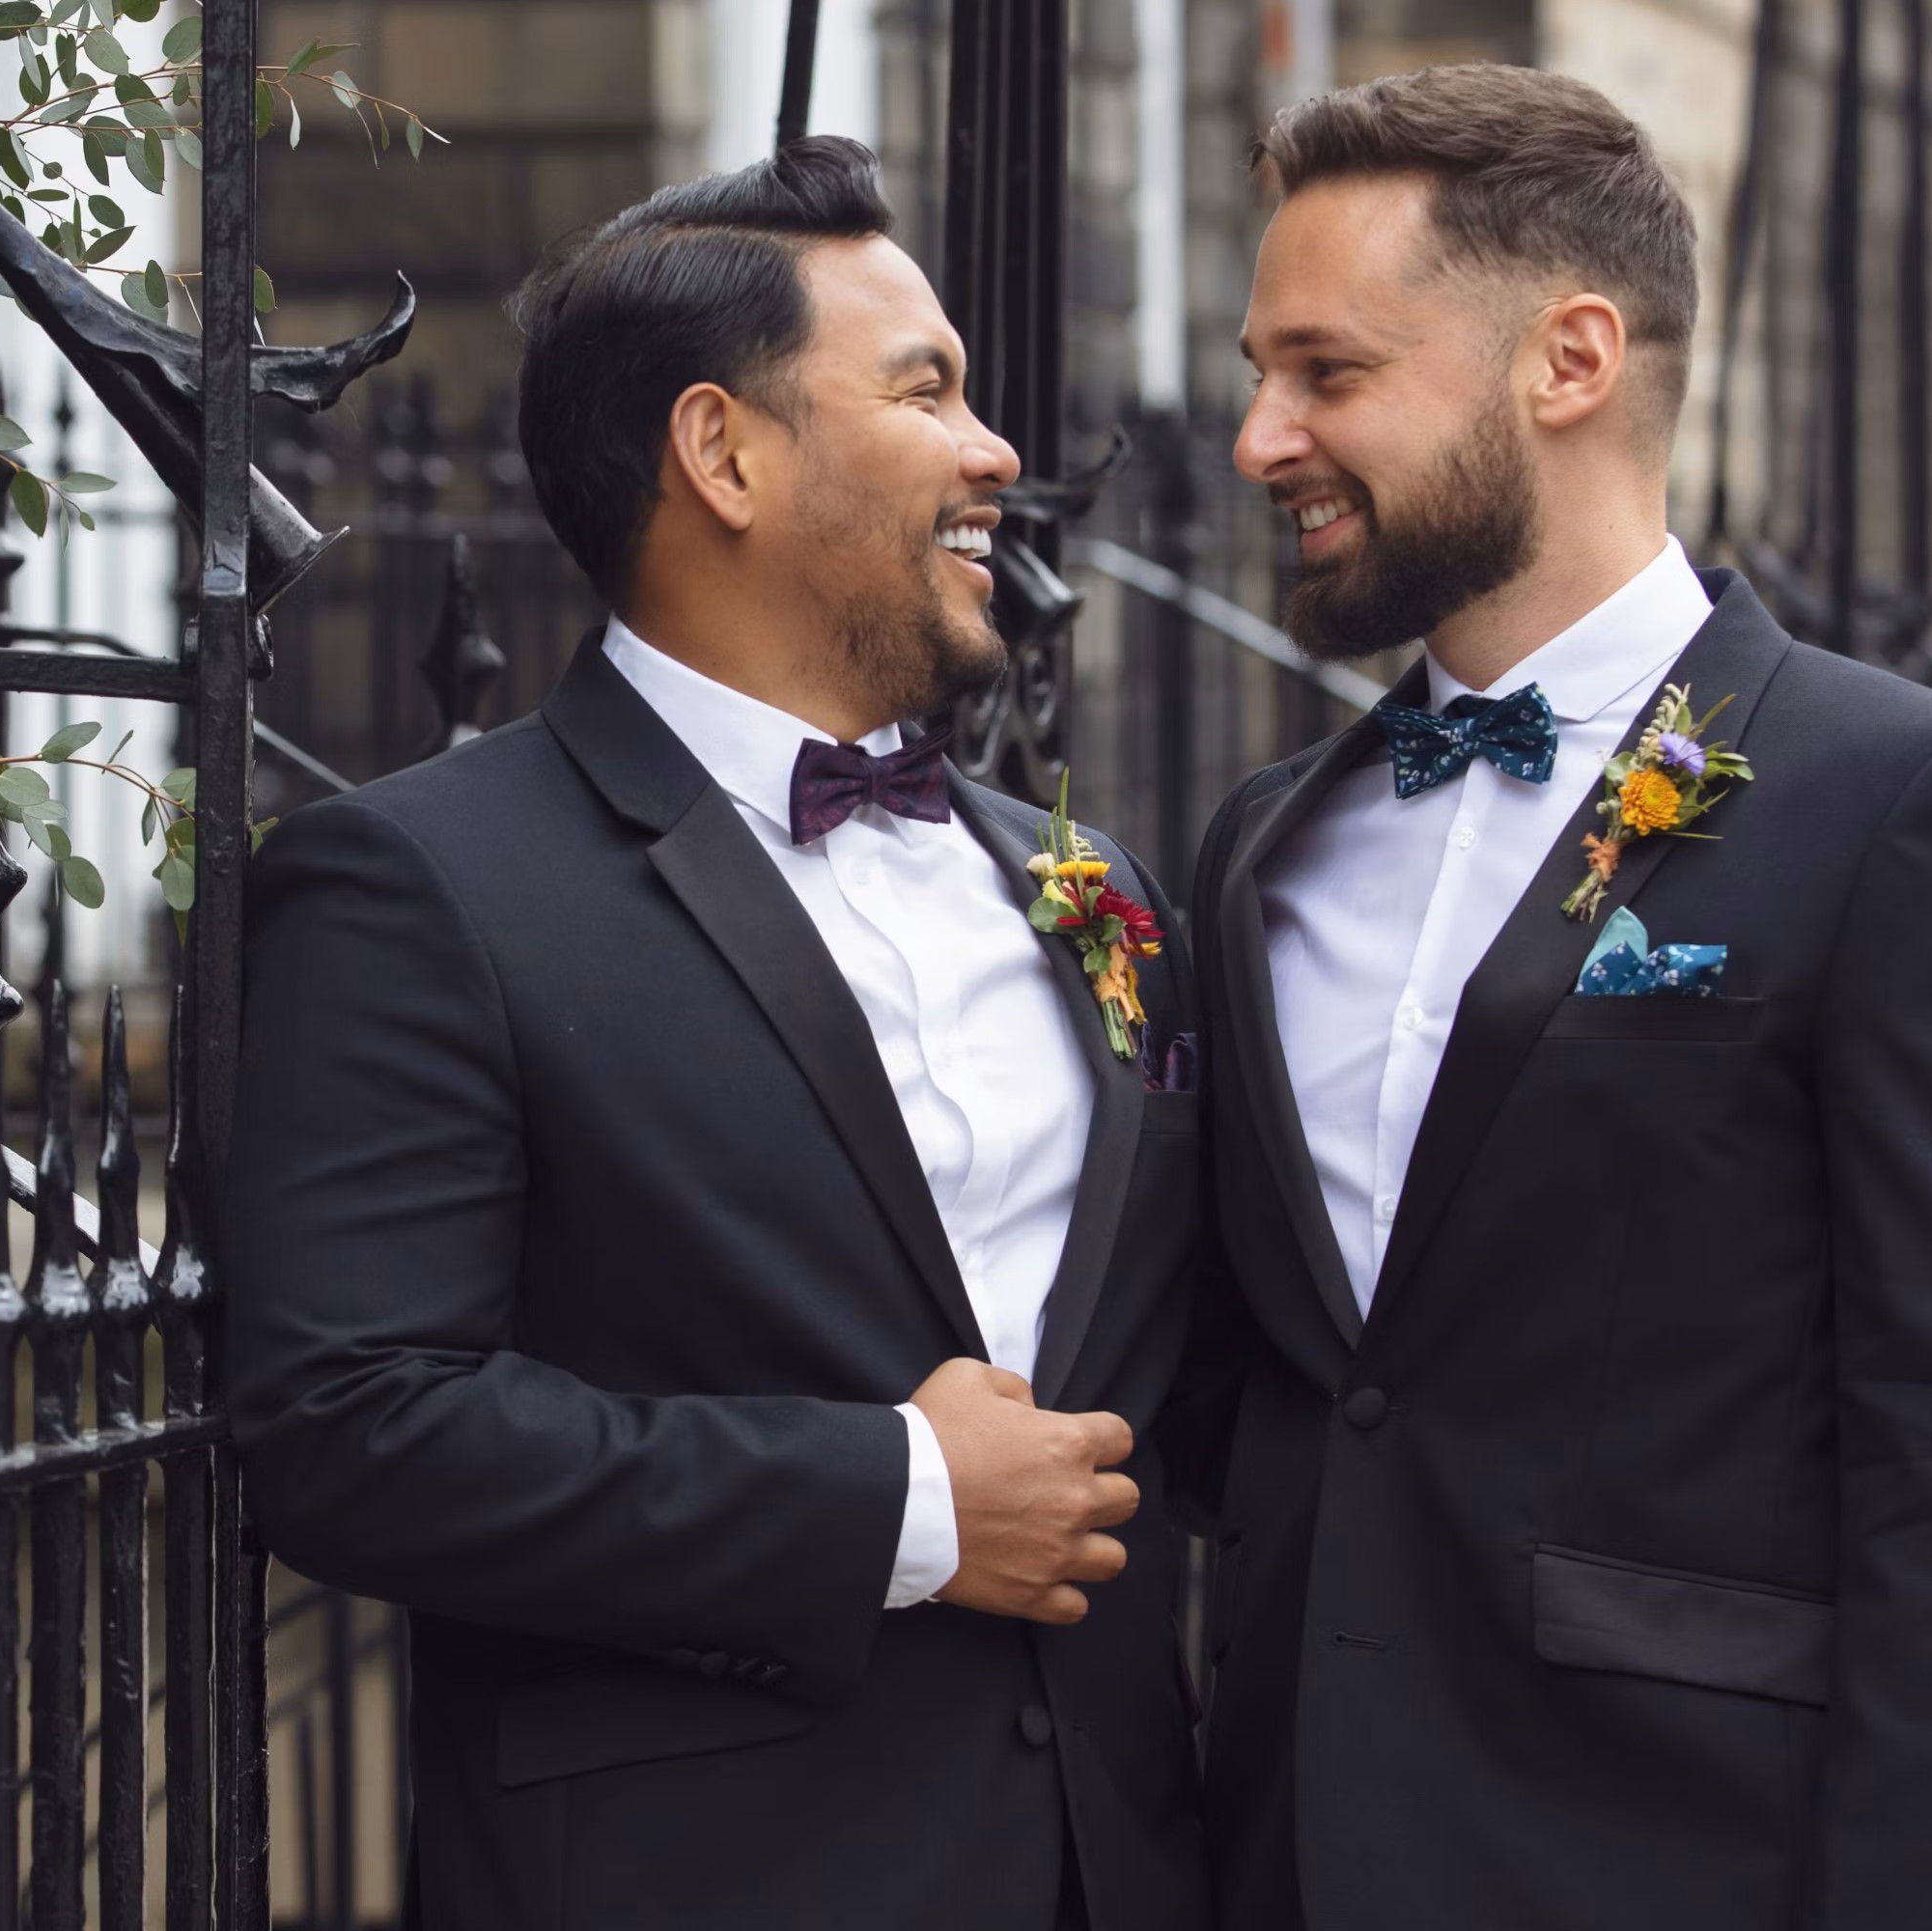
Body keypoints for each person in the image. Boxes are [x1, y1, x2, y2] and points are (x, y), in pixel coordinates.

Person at [223, 136, 1213, 1931]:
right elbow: (354, 1432)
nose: (998, 452)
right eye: (926, 390)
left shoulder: (1090, 883)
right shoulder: (422, 885)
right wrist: (897, 1500)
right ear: (723, 452)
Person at [1176, 65, 1932, 1930]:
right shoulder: (1260, 846)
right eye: (1256, 373)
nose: (1258, 438)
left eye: (1326, 372)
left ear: (1571, 360)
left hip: (1686, 1865)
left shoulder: (1913, 806)